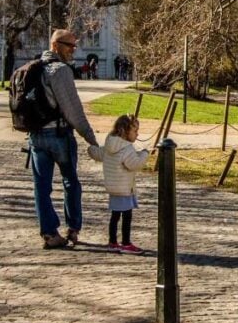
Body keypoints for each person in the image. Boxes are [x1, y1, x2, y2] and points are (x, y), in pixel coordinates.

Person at [28, 29, 101, 249]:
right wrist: (90, 138)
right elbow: (73, 110)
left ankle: (49, 233)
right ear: (56, 45)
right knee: (70, 182)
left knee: (41, 186)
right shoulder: (60, 71)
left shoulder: (34, 68)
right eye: (70, 46)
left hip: (36, 136)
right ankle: (73, 227)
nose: (73, 50)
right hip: (59, 135)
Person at [87, 114, 149, 254]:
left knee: (115, 216)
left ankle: (113, 241)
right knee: (127, 216)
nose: (137, 134)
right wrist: (145, 154)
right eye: (135, 131)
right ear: (126, 132)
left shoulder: (110, 145)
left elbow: (98, 154)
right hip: (125, 188)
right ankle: (126, 242)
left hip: (113, 188)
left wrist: (90, 149)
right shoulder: (127, 148)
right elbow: (134, 164)